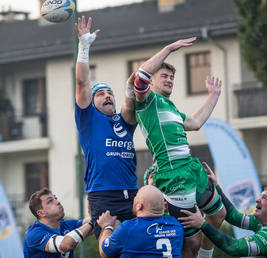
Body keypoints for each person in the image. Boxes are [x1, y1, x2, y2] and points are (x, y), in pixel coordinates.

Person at [132, 37, 226, 257]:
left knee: (219, 215)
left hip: (192, 169)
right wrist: (168, 49)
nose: (169, 80)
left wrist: (214, 95)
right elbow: (140, 78)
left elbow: (195, 123)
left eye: (172, 77)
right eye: (164, 76)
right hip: (173, 175)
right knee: (191, 243)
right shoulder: (147, 102)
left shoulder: (171, 108)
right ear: (152, 80)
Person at [74, 15, 138, 240]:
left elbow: (134, 99)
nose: (106, 96)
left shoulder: (125, 120)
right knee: (109, 248)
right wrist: (84, 47)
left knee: (136, 247)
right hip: (103, 195)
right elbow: (82, 83)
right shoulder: (88, 120)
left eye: (109, 92)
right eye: (100, 94)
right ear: (92, 102)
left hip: (132, 194)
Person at [179, 163, 267, 258]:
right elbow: (233, 216)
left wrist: (202, 224)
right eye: (260, 196)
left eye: (264, 198)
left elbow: (235, 248)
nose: (257, 200)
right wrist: (216, 187)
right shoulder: (264, 221)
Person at [97, 185, 184, 258]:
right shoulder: (176, 226)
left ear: (139, 206)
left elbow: (104, 252)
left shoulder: (128, 228)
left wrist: (107, 226)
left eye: (136, 197)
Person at [23, 188, 93, 258]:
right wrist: (93, 222)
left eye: (56, 198)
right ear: (41, 213)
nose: (58, 202)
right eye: (50, 201)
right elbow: (66, 245)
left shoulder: (67, 225)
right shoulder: (33, 234)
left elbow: (98, 222)